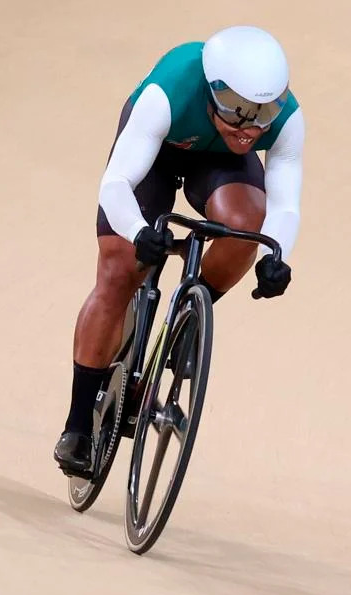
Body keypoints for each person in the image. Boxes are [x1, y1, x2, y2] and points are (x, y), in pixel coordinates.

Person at [53, 25, 305, 479]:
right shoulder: (166, 94)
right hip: (158, 150)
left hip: (216, 160)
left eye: (263, 112)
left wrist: (276, 255)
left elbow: (284, 205)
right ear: (211, 92)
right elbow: (116, 184)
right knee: (118, 272)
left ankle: (193, 305)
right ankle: (77, 427)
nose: (249, 127)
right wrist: (135, 230)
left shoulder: (284, 121)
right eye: (235, 110)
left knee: (247, 225)